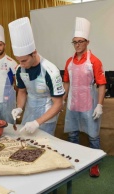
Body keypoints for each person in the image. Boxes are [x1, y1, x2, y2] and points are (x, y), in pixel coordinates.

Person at [63, 17, 106, 177]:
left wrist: (100, 105)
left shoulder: (94, 61)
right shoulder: (69, 62)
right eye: (75, 42)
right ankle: (76, 160)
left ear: (87, 42)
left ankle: (94, 164)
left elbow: (101, 84)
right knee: (73, 133)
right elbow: (66, 82)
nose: (78, 44)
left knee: (93, 135)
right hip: (73, 103)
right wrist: (63, 100)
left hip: (89, 103)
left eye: (81, 41)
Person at [9, 17, 65, 135]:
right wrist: (19, 107)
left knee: (44, 148)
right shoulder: (20, 69)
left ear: (34, 53)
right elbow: (22, 91)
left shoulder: (50, 71)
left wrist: (37, 122)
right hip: (29, 113)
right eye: (18, 60)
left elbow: (59, 104)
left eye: (24, 60)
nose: (21, 64)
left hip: (46, 117)